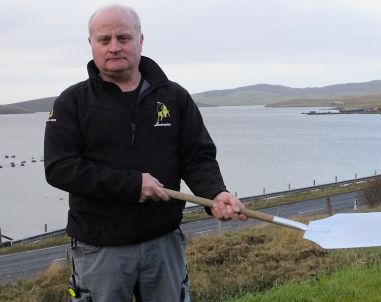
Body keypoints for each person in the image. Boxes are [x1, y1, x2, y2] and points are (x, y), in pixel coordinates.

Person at [44, 4, 247, 302]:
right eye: (104, 40)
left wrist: (216, 193)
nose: (114, 47)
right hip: (100, 249)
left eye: (123, 38)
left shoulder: (174, 96)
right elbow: (60, 167)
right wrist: (131, 185)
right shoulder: (71, 102)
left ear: (140, 40)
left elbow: (196, 156)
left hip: (163, 243)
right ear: (91, 45)